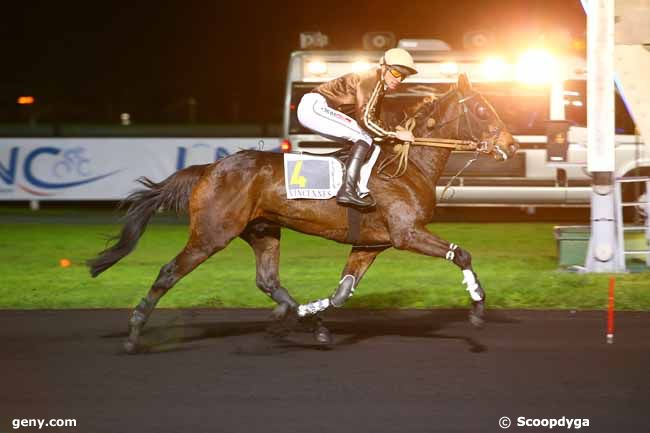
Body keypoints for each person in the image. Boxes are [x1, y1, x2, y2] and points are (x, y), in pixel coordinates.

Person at [297, 48, 418, 208]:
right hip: (315, 107)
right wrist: (395, 134)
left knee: (372, 144)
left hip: (321, 109)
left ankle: (358, 188)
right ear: (384, 67)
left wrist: (395, 129)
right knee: (364, 138)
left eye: (403, 76)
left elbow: (374, 119)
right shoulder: (371, 80)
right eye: (396, 73)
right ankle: (347, 189)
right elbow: (366, 120)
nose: (399, 79)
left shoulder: (380, 86)